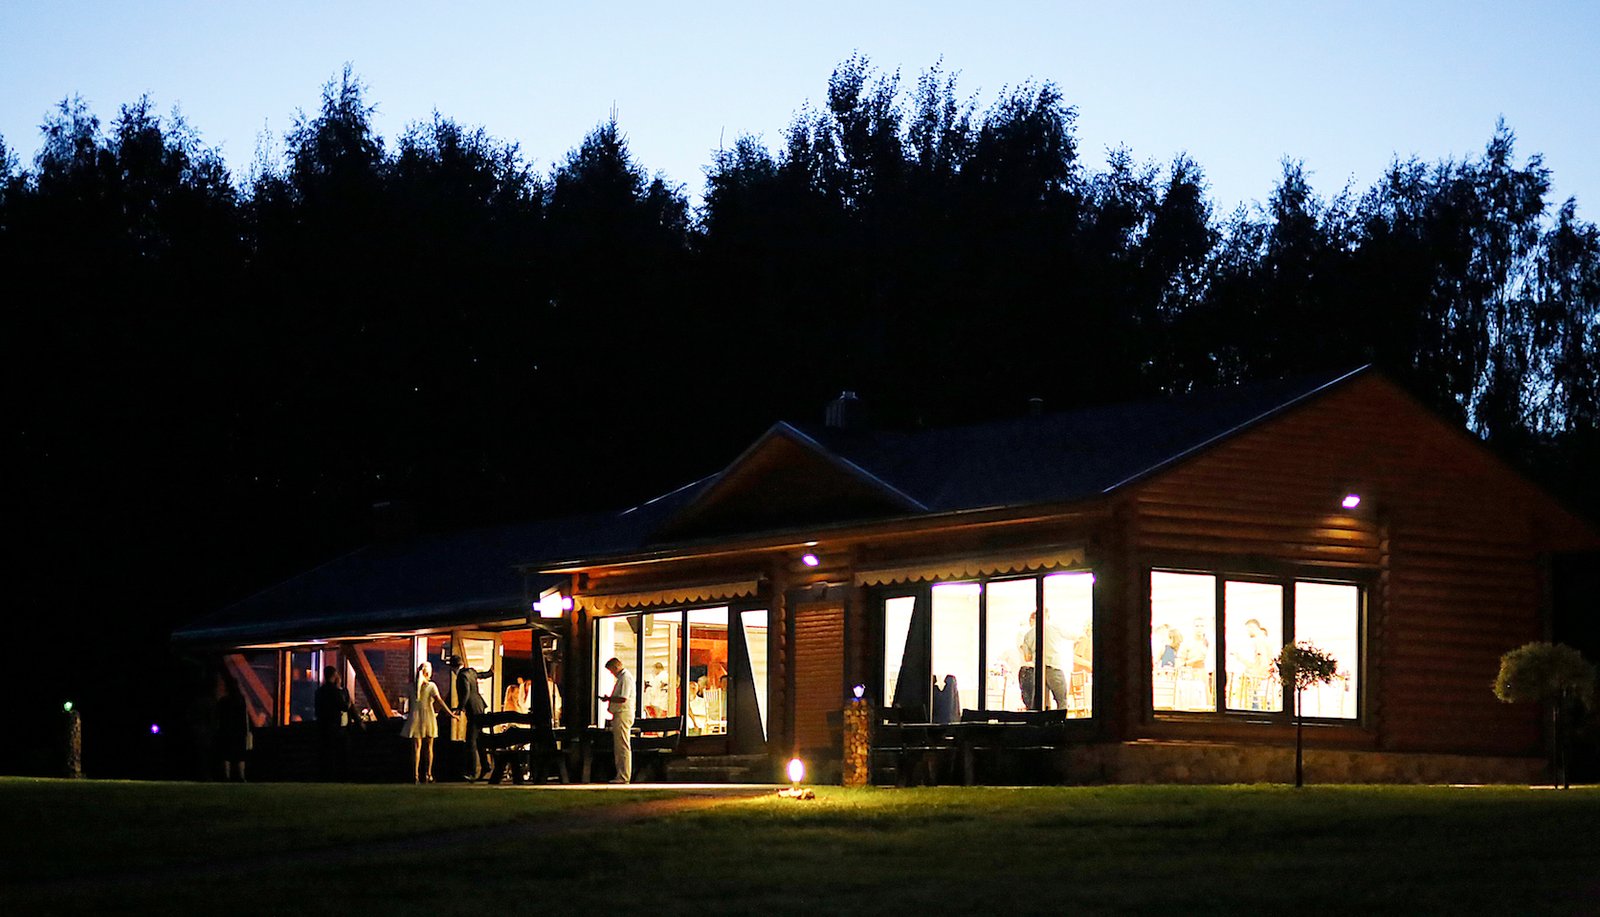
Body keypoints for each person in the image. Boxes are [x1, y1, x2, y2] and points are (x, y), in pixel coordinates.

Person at [402, 661, 459, 783]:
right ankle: (428, 774)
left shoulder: (411, 687)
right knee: (429, 748)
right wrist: (451, 714)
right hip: (428, 717)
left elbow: (407, 703)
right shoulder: (431, 686)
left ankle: (415, 775)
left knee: (416, 748)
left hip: (415, 718)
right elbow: (440, 701)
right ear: (428, 673)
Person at [314, 665, 361, 780]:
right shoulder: (335, 691)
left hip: (324, 726)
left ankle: (326, 775)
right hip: (336, 727)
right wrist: (349, 701)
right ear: (334, 675)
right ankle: (341, 775)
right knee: (341, 752)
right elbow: (344, 706)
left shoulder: (319, 691)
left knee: (327, 753)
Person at [451, 654, 493, 781]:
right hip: (479, 706)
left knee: (471, 741)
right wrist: (490, 672)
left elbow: (466, 692)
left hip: (473, 709)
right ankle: (485, 765)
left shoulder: (462, 676)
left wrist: (460, 708)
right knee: (479, 739)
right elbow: (482, 675)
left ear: (453, 667)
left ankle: (472, 771)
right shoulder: (471, 671)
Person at [598, 656, 635, 784]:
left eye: (611, 670)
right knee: (620, 746)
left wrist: (608, 699)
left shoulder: (625, 678)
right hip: (620, 713)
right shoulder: (622, 678)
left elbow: (623, 698)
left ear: (616, 666)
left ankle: (624, 776)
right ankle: (621, 774)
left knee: (622, 746)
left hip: (623, 713)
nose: (612, 673)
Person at [216, 672, 252, 782]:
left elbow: (219, 717)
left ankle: (226, 776)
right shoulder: (241, 700)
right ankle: (241, 776)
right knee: (240, 755)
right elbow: (244, 717)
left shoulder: (223, 701)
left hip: (226, 730)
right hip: (239, 731)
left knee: (226, 754)